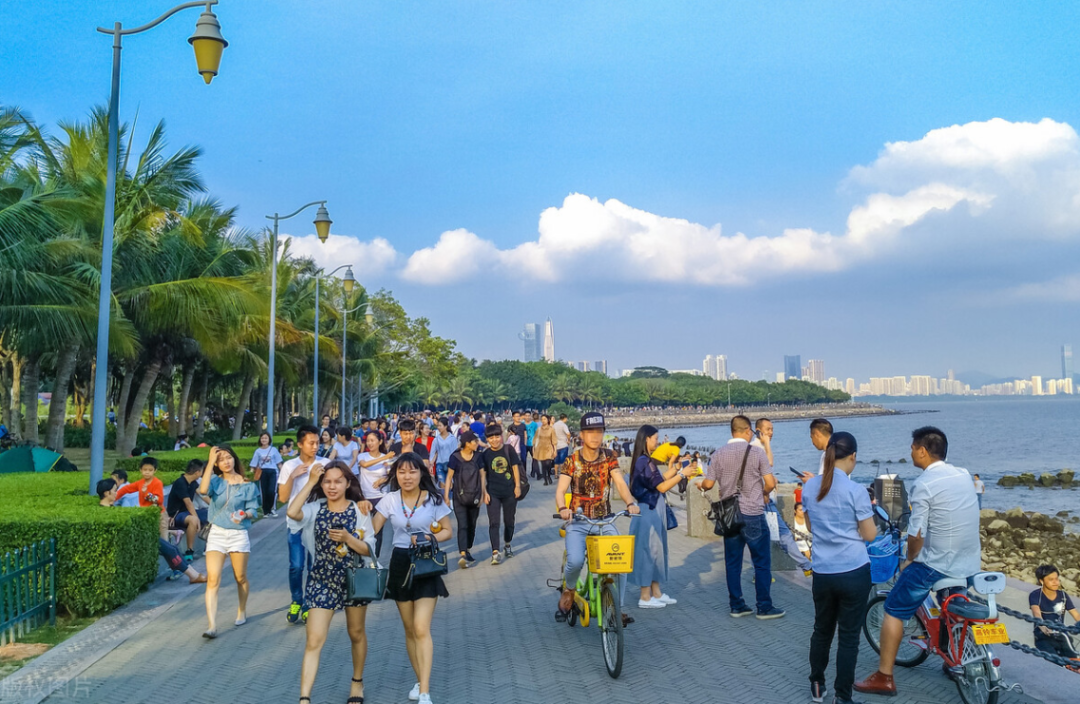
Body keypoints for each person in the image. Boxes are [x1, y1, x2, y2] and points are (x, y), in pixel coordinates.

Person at [855, 426, 981, 697]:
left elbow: (915, 534)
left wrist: (910, 560)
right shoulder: (963, 474)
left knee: (894, 609)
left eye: (912, 448)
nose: (910, 452)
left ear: (922, 451)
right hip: (969, 561)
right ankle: (954, 660)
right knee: (953, 608)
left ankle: (884, 676)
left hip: (936, 563)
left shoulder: (924, 484)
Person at [286, 460, 376, 704]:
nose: (332, 486)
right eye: (327, 481)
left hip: (353, 578)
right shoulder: (315, 509)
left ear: (348, 483)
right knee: (314, 639)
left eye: (338, 481)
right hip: (321, 578)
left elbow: (369, 549)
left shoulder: (359, 510)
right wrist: (311, 481)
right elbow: (292, 513)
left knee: (356, 633)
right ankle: (304, 698)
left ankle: (357, 682)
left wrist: (348, 538)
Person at [372, 454, 453, 704]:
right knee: (409, 629)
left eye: (412, 472)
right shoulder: (389, 500)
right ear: (395, 474)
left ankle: (426, 691)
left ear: (421, 473)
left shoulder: (434, 499)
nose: (407, 477)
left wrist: (431, 538)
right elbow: (371, 530)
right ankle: (419, 681)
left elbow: (448, 531)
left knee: (420, 628)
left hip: (426, 563)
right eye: (402, 472)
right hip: (400, 562)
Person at [803, 432, 877, 704]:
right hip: (853, 571)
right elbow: (869, 536)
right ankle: (842, 697)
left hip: (823, 572)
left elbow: (810, 526)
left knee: (822, 630)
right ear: (853, 456)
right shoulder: (856, 491)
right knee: (848, 638)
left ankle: (817, 685)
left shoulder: (811, 487)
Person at [555, 411, 640, 624]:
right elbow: (560, 489)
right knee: (575, 561)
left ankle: (614, 606)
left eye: (599, 431)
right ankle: (570, 589)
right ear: (581, 435)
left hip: (605, 520)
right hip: (578, 521)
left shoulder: (609, 456)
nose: (594, 436)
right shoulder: (572, 460)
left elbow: (620, 483)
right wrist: (563, 507)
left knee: (620, 561)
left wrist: (630, 503)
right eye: (589, 431)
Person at [699, 415, 784, 620]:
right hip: (753, 512)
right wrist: (763, 494)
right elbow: (770, 483)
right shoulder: (757, 453)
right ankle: (764, 607)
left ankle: (737, 605)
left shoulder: (717, 454)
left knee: (733, 562)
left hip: (730, 515)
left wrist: (700, 485)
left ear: (732, 431)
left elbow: (708, 484)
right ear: (748, 431)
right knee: (762, 561)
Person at [198, 445, 260, 639]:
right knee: (213, 579)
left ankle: (241, 609)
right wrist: (209, 462)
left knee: (240, 577)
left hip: (238, 534)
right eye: (221, 459)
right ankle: (212, 625)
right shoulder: (215, 481)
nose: (226, 461)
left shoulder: (247, 483)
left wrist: (244, 514)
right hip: (217, 533)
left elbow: (254, 510)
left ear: (234, 459)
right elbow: (202, 490)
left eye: (228, 457)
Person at [97, 479, 207, 584]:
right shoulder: (106, 511)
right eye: (115, 490)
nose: (117, 493)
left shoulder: (114, 506)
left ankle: (192, 574)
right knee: (170, 550)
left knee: (172, 549)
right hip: (141, 536)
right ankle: (193, 575)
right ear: (107, 493)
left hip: (146, 532)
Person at [627, 424, 684, 609]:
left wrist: (675, 470)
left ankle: (656, 592)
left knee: (657, 550)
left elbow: (659, 481)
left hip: (652, 509)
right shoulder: (644, 461)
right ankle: (645, 596)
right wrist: (682, 475)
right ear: (647, 439)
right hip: (648, 510)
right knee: (647, 551)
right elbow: (661, 487)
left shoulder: (645, 460)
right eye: (656, 438)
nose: (658, 442)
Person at [753, 417, 813, 574]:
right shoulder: (756, 447)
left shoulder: (758, 447)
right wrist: (767, 443)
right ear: (758, 431)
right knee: (781, 536)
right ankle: (807, 566)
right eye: (768, 430)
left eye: (772, 429)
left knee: (773, 538)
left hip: (765, 500)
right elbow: (769, 464)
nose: (771, 433)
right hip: (764, 501)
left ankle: (761, 572)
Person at [278, 425, 324, 625]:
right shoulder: (290, 466)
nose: (315, 447)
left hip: (318, 523)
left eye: (317, 443)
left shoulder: (326, 464)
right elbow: (282, 497)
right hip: (295, 523)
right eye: (311, 443)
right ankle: (297, 600)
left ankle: (309, 604)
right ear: (300, 444)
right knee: (296, 566)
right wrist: (293, 475)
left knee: (314, 566)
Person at [480, 423, 522, 565]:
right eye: (491, 438)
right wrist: (484, 492)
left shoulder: (508, 449)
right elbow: (482, 475)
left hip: (509, 491)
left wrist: (517, 486)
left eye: (497, 436)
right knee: (494, 523)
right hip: (493, 493)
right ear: (487, 439)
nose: (494, 440)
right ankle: (495, 552)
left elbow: (515, 468)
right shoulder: (485, 454)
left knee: (509, 521)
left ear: (502, 436)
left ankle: (507, 544)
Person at [445, 431, 484, 569]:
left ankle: (467, 549)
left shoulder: (479, 457)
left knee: (471, 525)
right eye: (475, 441)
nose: (477, 443)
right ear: (467, 443)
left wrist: (483, 495)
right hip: (458, 497)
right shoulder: (455, 457)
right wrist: (446, 496)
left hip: (475, 496)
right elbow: (449, 477)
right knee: (463, 524)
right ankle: (462, 554)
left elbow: (482, 476)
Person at [1029, 564, 1080, 658]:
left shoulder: (1063, 596)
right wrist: (1043, 627)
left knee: (1074, 661)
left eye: (1056, 579)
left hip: (1062, 635)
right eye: (1051, 579)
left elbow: (1076, 615)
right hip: (1044, 636)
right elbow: (1036, 613)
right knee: (1053, 662)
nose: (1055, 582)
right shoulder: (1035, 595)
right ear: (1041, 581)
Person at [167, 459, 209, 560]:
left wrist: (216, 506)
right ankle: (189, 550)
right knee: (193, 520)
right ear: (197, 472)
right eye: (202, 471)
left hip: (187, 512)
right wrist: (197, 518)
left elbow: (202, 494)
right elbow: (188, 503)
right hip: (176, 514)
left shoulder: (193, 483)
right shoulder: (180, 483)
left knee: (213, 514)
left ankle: (208, 547)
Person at [251, 432, 284, 518]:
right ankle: (266, 511)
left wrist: (284, 472)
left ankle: (272, 508)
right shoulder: (258, 451)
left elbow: (279, 463)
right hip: (263, 472)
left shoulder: (273, 450)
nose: (264, 440)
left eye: (266, 438)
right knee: (264, 492)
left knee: (272, 491)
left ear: (269, 439)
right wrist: (252, 472)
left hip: (273, 472)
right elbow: (254, 464)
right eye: (262, 438)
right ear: (260, 439)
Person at [429, 418, 459, 489]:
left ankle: (450, 498)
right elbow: (433, 452)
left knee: (450, 484)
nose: (438, 428)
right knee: (442, 484)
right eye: (438, 426)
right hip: (440, 464)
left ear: (445, 426)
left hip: (450, 464)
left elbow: (455, 451)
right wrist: (431, 464)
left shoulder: (452, 438)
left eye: (440, 426)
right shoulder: (436, 439)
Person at [532, 414, 558, 485]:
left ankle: (548, 475)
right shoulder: (539, 429)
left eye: (545, 419)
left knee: (548, 464)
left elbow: (554, 440)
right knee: (543, 465)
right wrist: (533, 448)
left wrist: (555, 450)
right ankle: (545, 480)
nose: (543, 421)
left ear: (548, 420)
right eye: (542, 419)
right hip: (540, 448)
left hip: (548, 448)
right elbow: (535, 439)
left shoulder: (551, 429)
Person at [524, 411, 539, 479]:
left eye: (528, 416)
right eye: (526, 416)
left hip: (532, 443)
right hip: (524, 444)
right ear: (524, 416)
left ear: (531, 416)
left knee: (534, 458)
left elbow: (537, 433)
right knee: (524, 459)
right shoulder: (522, 424)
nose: (527, 417)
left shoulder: (534, 424)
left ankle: (533, 472)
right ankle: (524, 472)